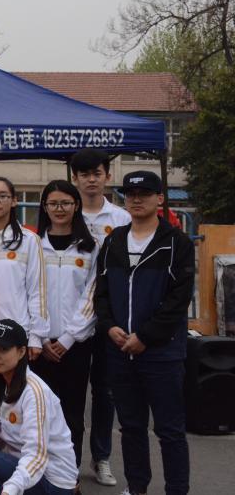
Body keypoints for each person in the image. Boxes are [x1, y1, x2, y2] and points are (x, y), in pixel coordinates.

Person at [93, 171, 194, 495]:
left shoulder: (177, 242)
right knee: (131, 427)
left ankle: (177, 489)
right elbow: (101, 294)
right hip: (120, 351)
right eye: (131, 194)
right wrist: (110, 327)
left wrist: (146, 336)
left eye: (145, 193)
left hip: (162, 353)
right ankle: (136, 487)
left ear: (159, 199)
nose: (136, 199)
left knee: (170, 429)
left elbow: (179, 300)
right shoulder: (113, 241)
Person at [69, 148, 128, 487]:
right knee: (73, 393)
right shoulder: (66, 212)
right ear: (74, 178)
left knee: (105, 392)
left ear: (107, 175)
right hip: (70, 320)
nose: (91, 180)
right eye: (84, 174)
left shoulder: (120, 218)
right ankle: (70, 459)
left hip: (108, 318)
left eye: (97, 173)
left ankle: (101, 456)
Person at [30, 180, 98, 470]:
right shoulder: (33, 244)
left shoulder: (90, 247)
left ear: (76, 206)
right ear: (44, 207)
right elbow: (29, 291)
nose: (59, 209)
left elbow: (92, 294)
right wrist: (42, 338)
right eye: (53, 203)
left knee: (72, 414)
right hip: (38, 345)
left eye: (66, 203)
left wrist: (69, 338)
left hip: (75, 345)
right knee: (40, 412)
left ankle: (70, 475)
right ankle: (39, 472)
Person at [0, 177, 49, 413]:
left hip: (12, 337)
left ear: (14, 201)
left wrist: (36, 337)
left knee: (10, 405)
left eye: (3, 196)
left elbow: (37, 291)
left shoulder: (29, 240)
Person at [0, 319, 80, 495]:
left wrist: (9, 490)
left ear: (21, 352)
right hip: (24, 469)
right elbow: (2, 439)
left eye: (3, 349)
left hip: (53, 480)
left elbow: (36, 456)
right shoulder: (0, 384)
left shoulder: (34, 392)